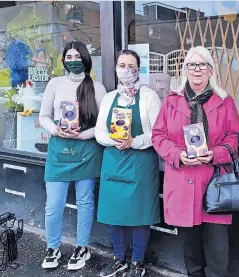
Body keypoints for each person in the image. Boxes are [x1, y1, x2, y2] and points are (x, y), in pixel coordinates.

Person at [152, 46, 239, 277]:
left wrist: (216, 154)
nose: (197, 69)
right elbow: (158, 136)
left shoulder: (225, 101)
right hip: (183, 184)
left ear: (210, 70)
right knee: (191, 257)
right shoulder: (171, 102)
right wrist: (177, 155)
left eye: (202, 65)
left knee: (218, 257)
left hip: (215, 185)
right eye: (192, 64)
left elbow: (235, 139)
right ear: (184, 70)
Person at [39, 41, 107, 270]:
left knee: (85, 201)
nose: (73, 60)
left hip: (86, 151)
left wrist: (81, 135)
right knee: (53, 205)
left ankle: (82, 248)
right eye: (68, 57)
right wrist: (55, 130)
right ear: (63, 61)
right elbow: (44, 116)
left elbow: (102, 125)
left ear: (85, 59)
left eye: (77, 56)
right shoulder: (55, 83)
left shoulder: (97, 88)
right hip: (58, 151)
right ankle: (53, 247)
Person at [95, 50, 161, 277]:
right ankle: (119, 258)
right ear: (115, 68)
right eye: (122, 65)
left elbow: (158, 134)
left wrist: (134, 141)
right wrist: (113, 140)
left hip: (141, 164)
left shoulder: (150, 97)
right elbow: (99, 133)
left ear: (139, 69)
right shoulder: (108, 98)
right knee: (114, 213)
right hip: (113, 162)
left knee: (141, 215)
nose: (126, 70)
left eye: (131, 66)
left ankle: (137, 262)